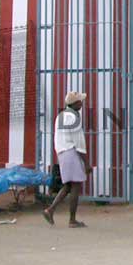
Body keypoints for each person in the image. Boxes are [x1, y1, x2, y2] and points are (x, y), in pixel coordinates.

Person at [43, 91, 89, 228]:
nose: (82, 103)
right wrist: (86, 163)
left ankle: (50, 210)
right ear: (74, 103)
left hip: (62, 152)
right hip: (70, 152)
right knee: (75, 185)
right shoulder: (73, 118)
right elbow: (79, 142)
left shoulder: (61, 116)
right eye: (80, 101)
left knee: (68, 185)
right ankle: (72, 220)